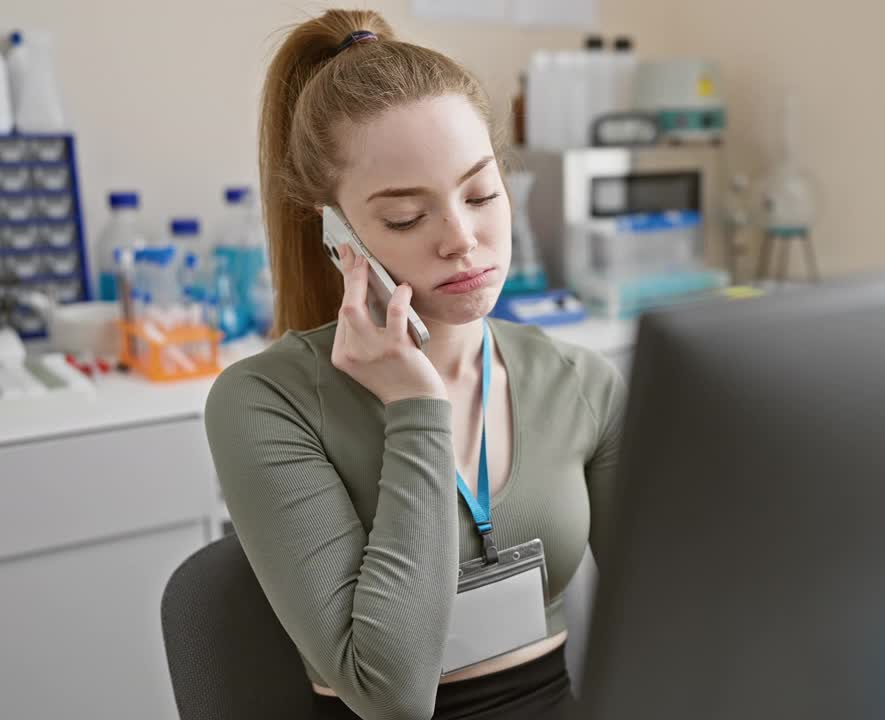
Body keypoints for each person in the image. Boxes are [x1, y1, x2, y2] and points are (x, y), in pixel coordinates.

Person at [203, 9, 626, 720]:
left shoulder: (578, 383)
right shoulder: (264, 403)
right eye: (406, 217)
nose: (463, 240)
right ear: (337, 229)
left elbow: (676, 617)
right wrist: (416, 410)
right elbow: (391, 693)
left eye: (483, 194)